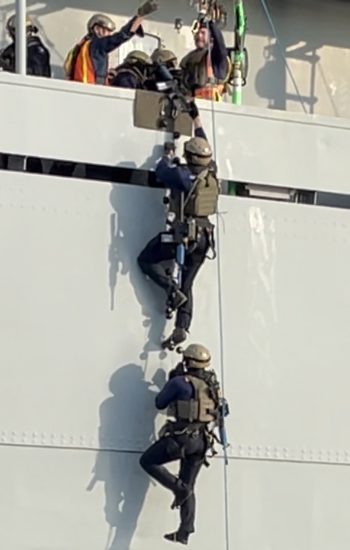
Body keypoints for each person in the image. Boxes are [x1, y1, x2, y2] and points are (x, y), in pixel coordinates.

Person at [137, 108, 218, 350]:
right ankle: (181, 327)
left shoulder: (182, 176)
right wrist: (197, 120)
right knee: (188, 282)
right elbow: (205, 144)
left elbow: (161, 171)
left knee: (146, 260)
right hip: (205, 237)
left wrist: (168, 156)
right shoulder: (211, 171)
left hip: (184, 235)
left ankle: (170, 290)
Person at [139, 343, 222, 545]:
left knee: (148, 461)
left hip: (182, 438)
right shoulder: (213, 386)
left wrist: (172, 381)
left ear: (187, 361)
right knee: (190, 484)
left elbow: (160, 403)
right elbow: (221, 410)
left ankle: (178, 489)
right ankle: (185, 530)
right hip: (203, 441)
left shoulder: (179, 382)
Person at [65, 5, 158, 85]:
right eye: (106, 30)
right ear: (97, 29)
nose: (109, 34)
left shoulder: (81, 46)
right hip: (93, 91)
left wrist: (105, 73)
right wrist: (140, 16)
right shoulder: (97, 44)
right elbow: (119, 37)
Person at [180, 12, 230, 101]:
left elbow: (220, 44)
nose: (199, 36)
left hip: (212, 105)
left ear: (211, 38)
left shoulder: (216, 57)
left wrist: (210, 22)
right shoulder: (189, 59)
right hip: (193, 105)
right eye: (198, 33)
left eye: (203, 33)